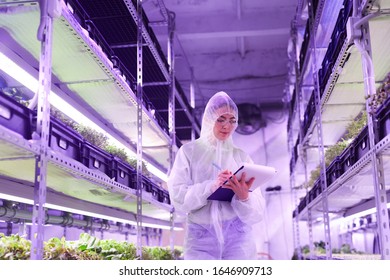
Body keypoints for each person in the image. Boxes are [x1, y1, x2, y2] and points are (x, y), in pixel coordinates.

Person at [167, 91, 265, 260]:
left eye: (232, 121)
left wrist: (244, 198)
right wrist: (210, 187)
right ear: (208, 119)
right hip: (200, 238)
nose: (226, 126)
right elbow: (178, 198)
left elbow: (257, 212)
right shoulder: (189, 152)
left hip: (238, 238)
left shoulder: (241, 157)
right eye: (221, 119)